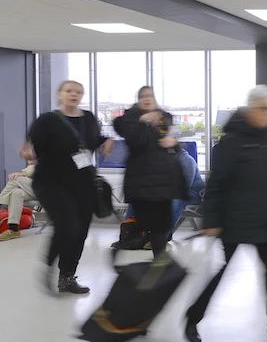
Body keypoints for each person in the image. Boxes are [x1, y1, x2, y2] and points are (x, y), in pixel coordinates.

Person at [184, 85, 267, 342]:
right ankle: (192, 319)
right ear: (251, 109)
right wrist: (212, 221)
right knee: (220, 273)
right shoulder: (232, 141)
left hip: (265, 221)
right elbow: (216, 184)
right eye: (265, 109)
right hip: (234, 222)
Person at [27, 80, 114, 294]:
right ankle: (48, 266)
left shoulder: (89, 119)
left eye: (78, 92)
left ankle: (66, 277)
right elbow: (32, 144)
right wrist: (29, 150)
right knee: (67, 225)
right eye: (69, 91)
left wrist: (105, 142)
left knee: (80, 232)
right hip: (51, 182)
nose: (73, 95)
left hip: (82, 183)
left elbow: (91, 141)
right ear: (60, 94)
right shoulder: (47, 120)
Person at [113, 86, 185, 257]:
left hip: (163, 183)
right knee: (148, 225)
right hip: (142, 183)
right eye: (143, 96)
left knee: (161, 228)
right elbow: (136, 142)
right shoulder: (129, 120)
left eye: (150, 96)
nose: (147, 99)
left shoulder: (164, 118)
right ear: (138, 100)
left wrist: (173, 144)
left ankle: (158, 265)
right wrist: (143, 121)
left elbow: (175, 148)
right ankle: (139, 253)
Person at [0, 153, 37, 241]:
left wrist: (21, 173)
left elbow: (32, 169)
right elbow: (30, 169)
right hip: (36, 190)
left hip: (48, 190)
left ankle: (0, 203)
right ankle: (13, 229)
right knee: (16, 192)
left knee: (15, 178)